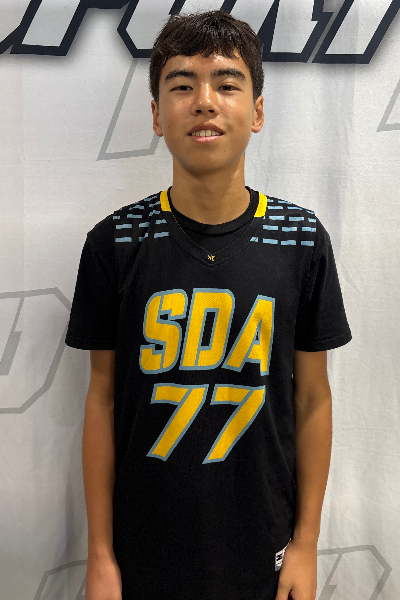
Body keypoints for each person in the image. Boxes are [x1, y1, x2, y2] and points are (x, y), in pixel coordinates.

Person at [65, 10, 351, 600]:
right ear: (156, 114)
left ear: (258, 111)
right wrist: (100, 555)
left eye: (226, 83)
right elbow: (101, 400)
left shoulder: (301, 239)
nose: (204, 101)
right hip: (142, 553)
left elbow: (312, 398)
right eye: (182, 85)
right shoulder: (115, 242)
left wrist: (305, 543)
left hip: (265, 549)